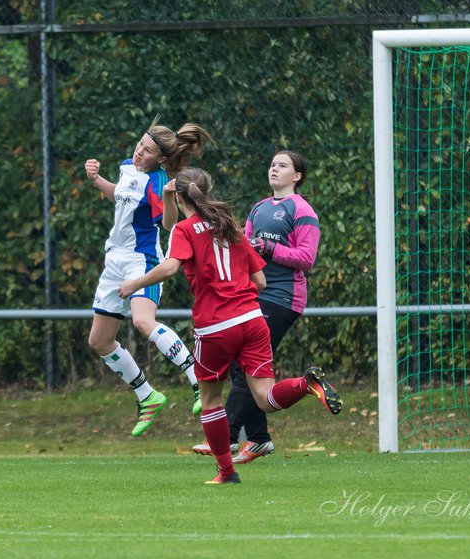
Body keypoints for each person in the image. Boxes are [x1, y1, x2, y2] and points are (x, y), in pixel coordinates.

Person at [118, 168, 340, 484]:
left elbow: (169, 267)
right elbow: (260, 281)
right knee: (264, 397)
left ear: (180, 198)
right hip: (252, 319)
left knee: (210, 400)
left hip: (215, 325)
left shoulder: (184, 228)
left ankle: (226, 472)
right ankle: (306, 384)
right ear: (205, 193)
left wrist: (134, 284)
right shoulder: (231, 228)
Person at [193, 149, 339, 463]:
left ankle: (228, 437)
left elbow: (306, 259)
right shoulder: (259, 208)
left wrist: (270, 248)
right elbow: (244, 249)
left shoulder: (302, 210)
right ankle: (259, 439)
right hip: (252, 297)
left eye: (282, 165)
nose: (274, 169)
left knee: (247, 366)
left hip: (283, 298)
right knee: (239, 366)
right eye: (272, 164)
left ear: (297, 176)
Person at [85, 119, 211, 436]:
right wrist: (96, 179)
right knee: (99, 340)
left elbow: (167, 224)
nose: (140, 151)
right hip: (113, 261)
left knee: (143, 321)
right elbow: (122, 197)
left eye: (148, 150)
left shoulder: (158, 182)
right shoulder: (128, 167)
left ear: (162, 160)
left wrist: (169, 195)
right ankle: (147, 395)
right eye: (141, 143)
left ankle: (195, 374)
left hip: (142, 260)